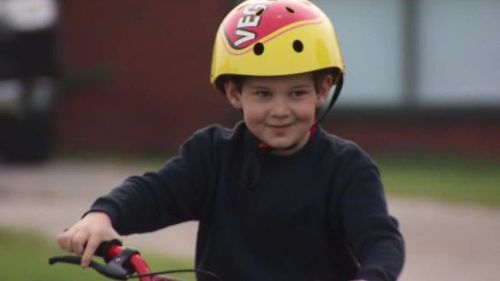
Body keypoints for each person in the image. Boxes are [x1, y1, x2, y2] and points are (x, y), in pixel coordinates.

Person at [57, 0, 405, 280]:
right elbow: (155, 192)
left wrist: (373, 275)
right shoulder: (212, 156)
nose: (280, 110)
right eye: (263, 94)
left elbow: (380, 240)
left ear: (323, 90)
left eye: (297, 93)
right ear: (234, 93)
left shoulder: (346, 168)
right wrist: (103, 216)